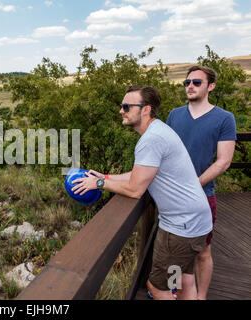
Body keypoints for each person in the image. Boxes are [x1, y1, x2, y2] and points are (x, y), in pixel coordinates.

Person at [71, 85, 213, 300]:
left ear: (145, 109)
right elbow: (140, 175)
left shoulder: (151, 140)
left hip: (180, 228)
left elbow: (136, 189)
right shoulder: (158, 131)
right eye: (122, 106)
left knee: (159, 288)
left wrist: (99, 184)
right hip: (194, 221)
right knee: (182, 278)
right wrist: (107, 178)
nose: (121, 111)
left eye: (127, 106)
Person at [166, 66, 236, 300]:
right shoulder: (174, 115)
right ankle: (174, 292)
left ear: (211, 86)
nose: (190, 86)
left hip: (202, 196)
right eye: (187, 83)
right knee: (173, 252)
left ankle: (200, 296)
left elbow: (223, 161)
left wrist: (193, 184)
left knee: (203, 251)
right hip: (171, 198)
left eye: (196, 82)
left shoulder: (224, 118)